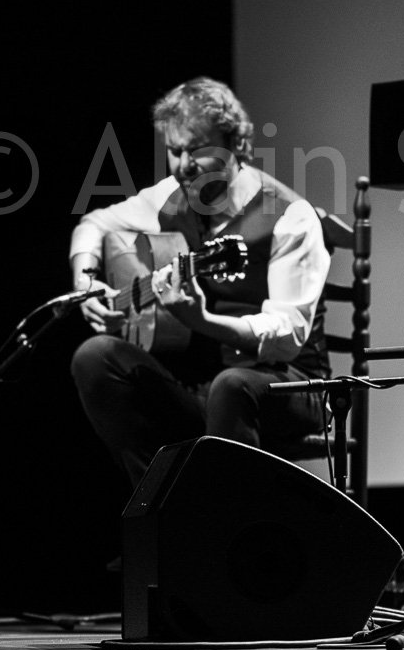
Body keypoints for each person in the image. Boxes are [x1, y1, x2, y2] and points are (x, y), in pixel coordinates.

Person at [68, 77, 331, 488]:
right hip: (204, 385)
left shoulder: (289, 216)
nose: (183, 166)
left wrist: (203, 321)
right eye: (174, 151)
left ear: (237, 144)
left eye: (197, 150)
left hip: (290, 383)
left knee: (232, 386)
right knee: (95, 356)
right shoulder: (171, 195)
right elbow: (94, 223)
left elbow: (288, 336)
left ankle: (224, 522)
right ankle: (156, 507)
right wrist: (87, 281)